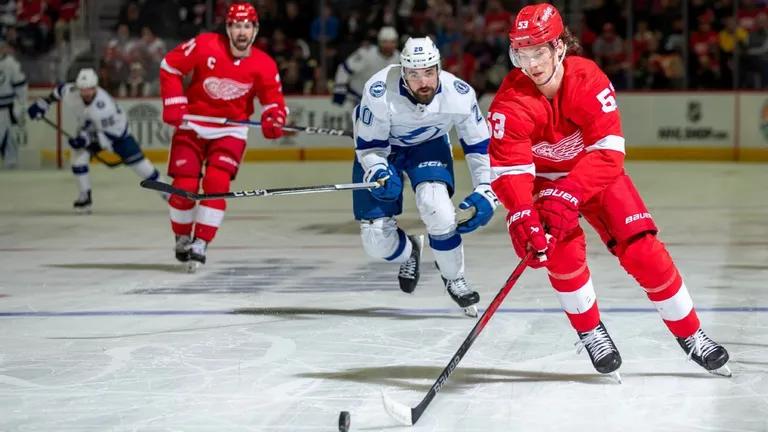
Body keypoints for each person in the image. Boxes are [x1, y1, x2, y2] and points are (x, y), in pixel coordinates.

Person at [489, 3, 730, 379]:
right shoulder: (510, 101)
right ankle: (590, 331)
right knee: (561, 255)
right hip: (543, 183)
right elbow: (510, 170)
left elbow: (607, 154)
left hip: (593, 173)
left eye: (539, 51)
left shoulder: (588, 80)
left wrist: (568, 192)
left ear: (559, 48)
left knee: (643, 250)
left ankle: (692, 334)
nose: (532, 63)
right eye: (522, 53)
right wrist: (521, 214)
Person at [353, 36, 498, 317]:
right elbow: (370, 147)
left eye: (429, 72)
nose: (423, 82)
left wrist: (486, 188)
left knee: (438, 209)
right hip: (384, 151)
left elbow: (480, 146)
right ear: (402, 71)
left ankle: (454, 277)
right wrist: (378, 170)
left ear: (439, 68)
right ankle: (410, 251)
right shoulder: (379, 90)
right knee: (375, 242)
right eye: (414, 74)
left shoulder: (458, 94)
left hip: (428, 145)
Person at [159, 2, 287, 272]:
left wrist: (275, 118)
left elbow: (273, 100)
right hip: (193, 124)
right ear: (228, 28)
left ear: (255, 30)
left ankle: (201, 242)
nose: (242, 31)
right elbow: (169, 66)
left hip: (231, 130)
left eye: (247, 26)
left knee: (216, 183)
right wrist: (173, 101)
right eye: (237, 25)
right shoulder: (205, 45)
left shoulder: (264, 64)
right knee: (184, 185)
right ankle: (182, 235)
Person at [28, 68, 166, 213]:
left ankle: (169, 194)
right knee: (78, 161)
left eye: (90, 89)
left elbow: (109, 135)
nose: (86, 93)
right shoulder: (72, 92)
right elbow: (60, 90)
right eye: (83, 89)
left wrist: (85, 139)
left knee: (144, 169)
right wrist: (43, 103)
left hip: (117, 135)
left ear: (96, 87)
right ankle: (85, 197)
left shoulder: (104, 106)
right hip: (90, 130)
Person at [332, 26, 399, 107]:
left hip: (379, 102)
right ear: (379, 42)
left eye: (392, 42)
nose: (388, 45)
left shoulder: (399, 58)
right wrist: (340, 90)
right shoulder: (365, 53)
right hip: (354, 97)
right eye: (385, 42)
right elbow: (344, 69)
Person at [0, 39, 27, 169]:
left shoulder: (11, 64)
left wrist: (22, 103)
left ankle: (11, 163)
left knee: (11, 136)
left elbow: (20, 85)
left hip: (8, 106)